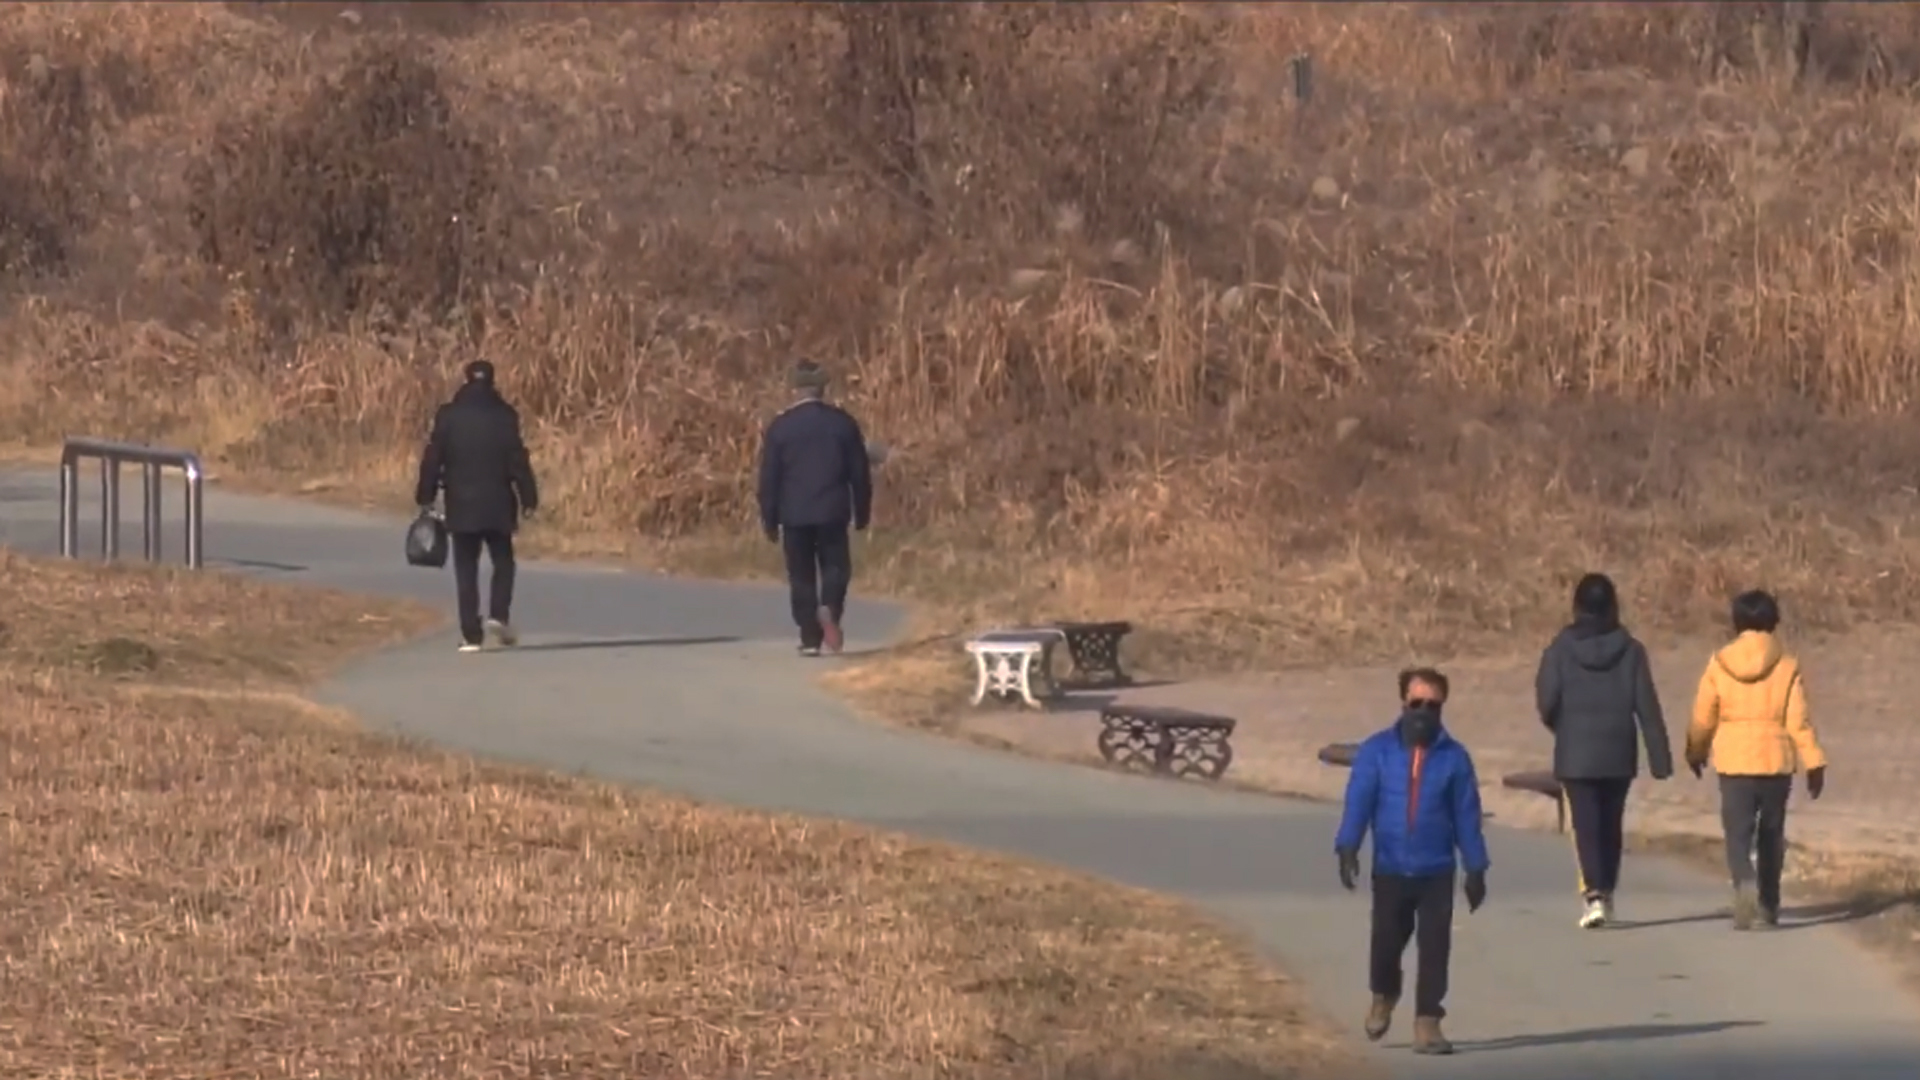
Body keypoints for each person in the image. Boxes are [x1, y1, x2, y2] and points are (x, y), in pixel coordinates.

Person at [1335, 667, 1490, 1057]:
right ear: (1403, 703)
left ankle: (1428, 1022)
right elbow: (1359, 801)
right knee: (1386, 942)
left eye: (1432, 705)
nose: (1423, 711)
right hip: (1390, 866)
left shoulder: (1455, 758)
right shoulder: (1377, 751)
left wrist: (1476, 867)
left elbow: (1467, 815)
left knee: (1435, 947)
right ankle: (1384, 995)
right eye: (1416, 703)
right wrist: (1348, 846)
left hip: (1436, 868)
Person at [1534, 572, 1674, 929]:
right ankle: (1606, 892)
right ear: (1613, 605)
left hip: (1575, 751)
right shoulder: (1631, 650)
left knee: (1585, 825)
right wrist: (1660, 758)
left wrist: (1561, 726)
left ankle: (1594, 895)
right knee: (1610, 825)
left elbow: (1546, 700)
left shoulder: (1560, 648)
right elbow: (1647, 705)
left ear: (1577, 606)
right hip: (1618, 749)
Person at [1685, 589, 1828, 930]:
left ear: (1736, 622)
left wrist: (1696, 751)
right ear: (1773, 621)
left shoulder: (1719, 663)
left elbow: (1704, 717)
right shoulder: (1787, 665)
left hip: (1734, 762)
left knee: (1737, 833)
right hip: (1776, 762)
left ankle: (1744, 883)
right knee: (1771, 834)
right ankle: (1768, 904)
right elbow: (1799, 721)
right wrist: (1814, 762)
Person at [414, 359, 539, 653]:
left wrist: (425, 495)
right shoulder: (505, 416)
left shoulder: (449, 416)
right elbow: (517, 460)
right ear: (492, 381)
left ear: (466, 380)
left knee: (465, 566)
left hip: (461, 502)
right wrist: (529, 497)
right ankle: (498, 613)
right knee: (503, 561)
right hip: (498, 501)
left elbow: (433, 458)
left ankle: (471, 634)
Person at [756, 360, 873, 657]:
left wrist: (768, 517)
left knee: (801, 574)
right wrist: (862, 510)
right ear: (823, 388)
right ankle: (830, 607)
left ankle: (809, 636)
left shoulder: (780, 428)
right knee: (836, 567)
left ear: (795, 389)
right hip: (833, 510)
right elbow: (859, 472)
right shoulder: (843, 423)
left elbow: (769, 477)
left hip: (794, 514)